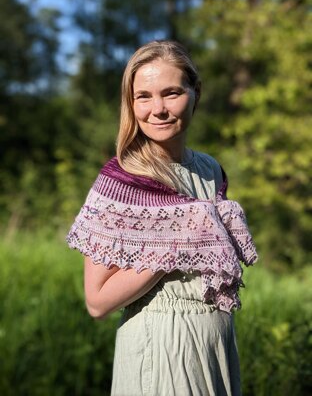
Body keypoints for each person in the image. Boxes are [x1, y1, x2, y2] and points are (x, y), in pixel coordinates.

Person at [66, 40, 258, 396]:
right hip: (162, 345)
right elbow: (97, 301)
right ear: (131, 103)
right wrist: (176, 241)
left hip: (216, 344)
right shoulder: (122, 181)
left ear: (195, 93)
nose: (158, 109)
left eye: (171, 93)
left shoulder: (209, 170)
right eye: (144, 96)